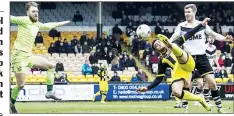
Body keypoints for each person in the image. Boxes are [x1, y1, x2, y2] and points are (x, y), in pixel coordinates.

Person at [136, 18, 212, 113]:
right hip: (179, 71)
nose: (158, 44)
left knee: (174, 46)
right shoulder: (162, 61)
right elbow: (159, 78)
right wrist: (147, 88)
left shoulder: (175, 42)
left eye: (159, 42)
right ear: (156, 50)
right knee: (176, 92)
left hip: (188, 61)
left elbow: (189, 34)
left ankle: (172, 47)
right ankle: (199, 99)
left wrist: (201, 24)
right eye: (156, 45)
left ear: (163, 42)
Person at [169, 4, 233, 113]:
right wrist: (168, 44)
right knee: (187, 83)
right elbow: (174, 37)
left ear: (194, 12)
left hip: (202, 57)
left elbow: (214, 35)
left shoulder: (201, 25)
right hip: (187, 58)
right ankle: (185, 109)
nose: (186, 14)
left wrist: (224, 39)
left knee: (212, 83)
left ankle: (219, 108)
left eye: (189, 12)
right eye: (185, 12)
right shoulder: (181, 25)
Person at [10, 2, 70, 113]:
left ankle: (49, 92)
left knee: (51, 66)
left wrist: (60, 23)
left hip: (28, 56)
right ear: (27, 12)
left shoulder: (37, 24)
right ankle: (11, 103)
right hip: (18, 57)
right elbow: (10, 18)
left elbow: (47, 26)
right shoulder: (23, 20)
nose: (36, 13)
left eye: (37, 11)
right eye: (33, 11)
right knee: (21, 85)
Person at [193, 36, 221, 107]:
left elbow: (214, 57)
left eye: (213, 38)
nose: (211, 39)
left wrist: (218, 65)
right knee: (200, 84)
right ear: (207, 39)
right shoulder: (204, 47)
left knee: (208, 85)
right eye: (210, 38)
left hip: (209, 69)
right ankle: (196, 101)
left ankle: (207, 102)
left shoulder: (214, 47)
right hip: (201, 67)